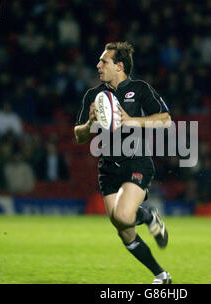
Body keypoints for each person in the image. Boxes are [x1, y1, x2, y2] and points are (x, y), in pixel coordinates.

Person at [74, 42, 172, 284]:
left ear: (119, 66)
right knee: (124, 230)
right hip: (108, 168)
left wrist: (131, 121)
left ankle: (148, 216)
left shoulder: (139, 89)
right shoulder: (93, 95)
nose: (98, 66)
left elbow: (165, 119)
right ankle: (161, 275)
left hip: (136, 162)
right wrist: (88, 125)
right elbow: (78, 135)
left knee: (125, 215)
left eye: (103, 62)